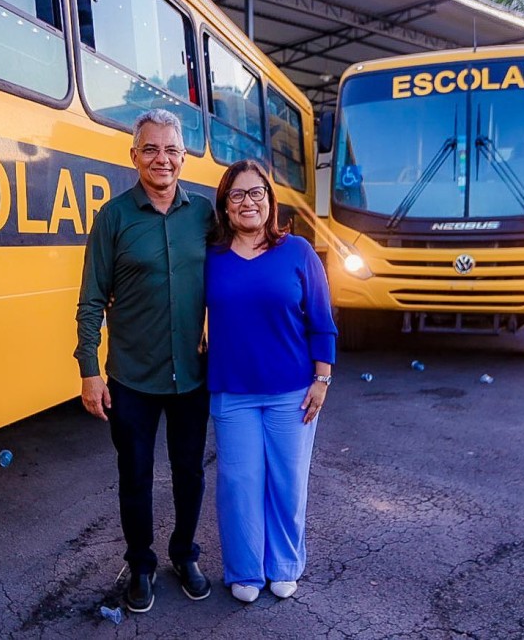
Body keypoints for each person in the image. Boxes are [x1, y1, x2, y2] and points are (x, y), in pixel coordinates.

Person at [74, 109, 216, 613]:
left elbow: (240, 266)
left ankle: (184, 553)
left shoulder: (204, 214)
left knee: (189, 473)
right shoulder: (113, 217)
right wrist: (89, 369)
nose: (163, 159)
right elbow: (92, 300)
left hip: (192, 375)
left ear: (184, 157)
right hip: (131, 377)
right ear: (133, 156)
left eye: (172, 150)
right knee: (134, 475)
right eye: (151, 149)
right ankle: (140, 564)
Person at [204, 159, 337, 603]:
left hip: (292, 392)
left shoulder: (297, 252)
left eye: (256, 192)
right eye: (238, 195)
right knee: (239, 482)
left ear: (270, 199)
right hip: (232, 391)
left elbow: (322, 320)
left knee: (286, 480)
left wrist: (322, 378)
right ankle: (244, 570)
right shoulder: (211, 258)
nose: (248, 202)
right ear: (224, 206)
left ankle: (283, 565)